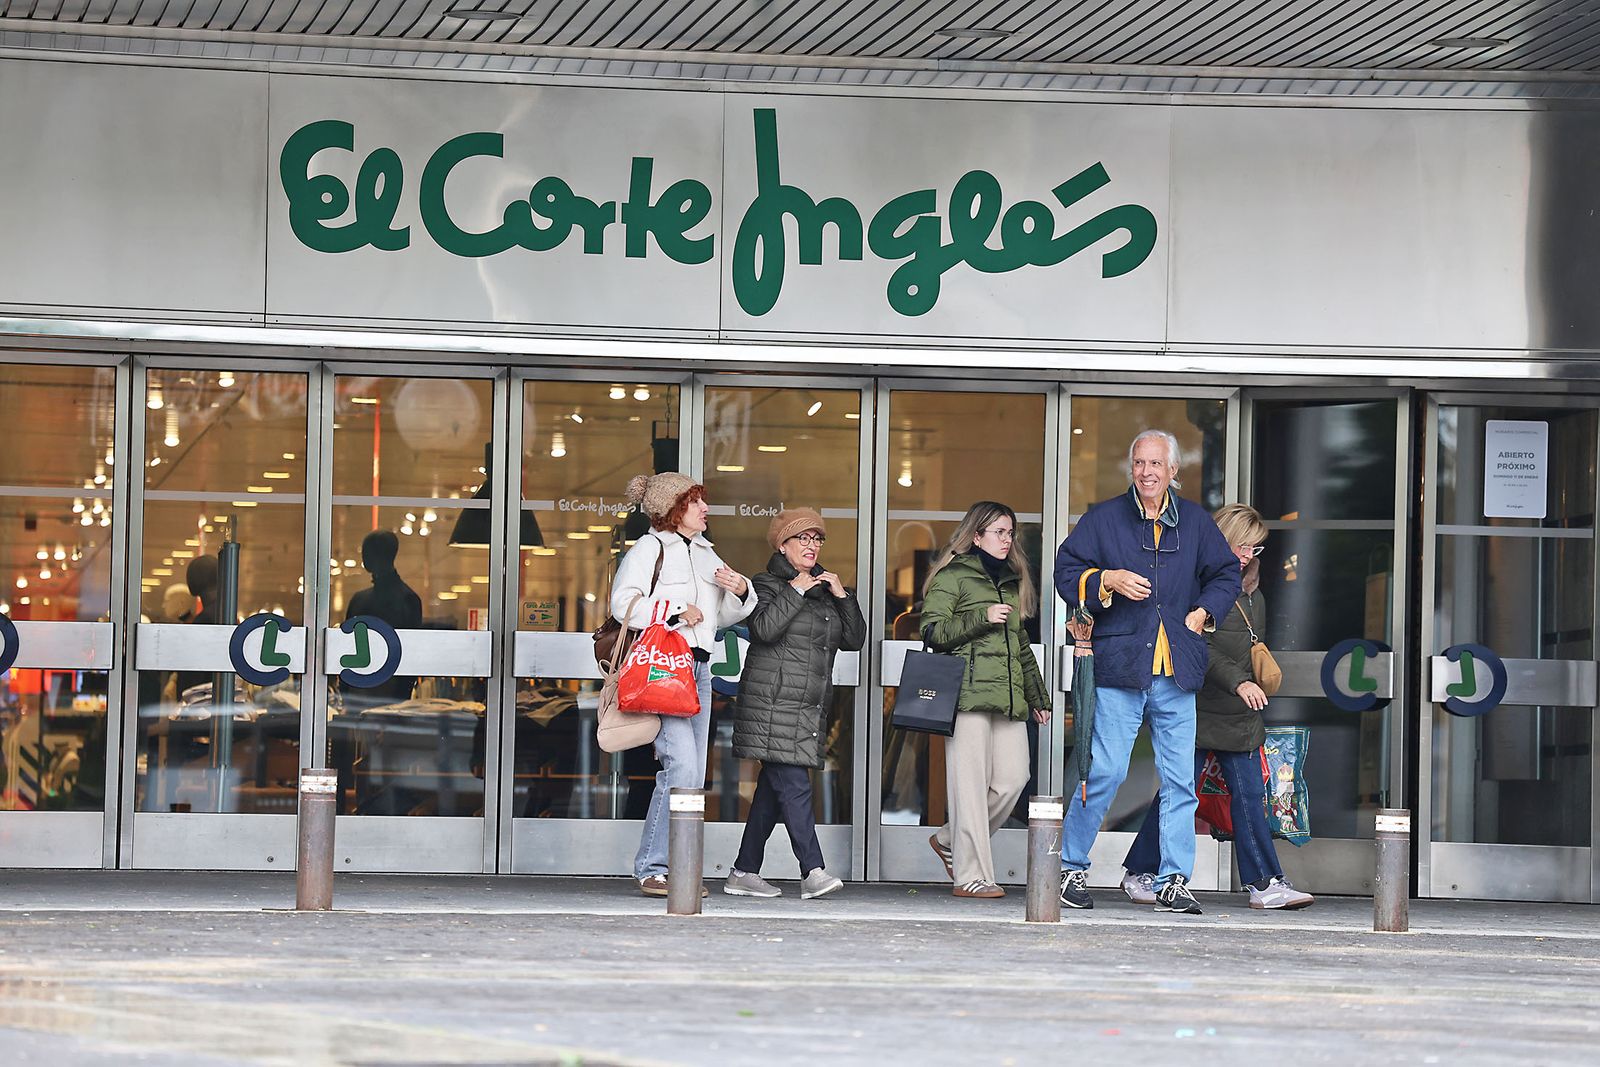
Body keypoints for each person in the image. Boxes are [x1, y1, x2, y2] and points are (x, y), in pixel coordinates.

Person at [1054, 430, 1240, 915]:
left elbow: (1226, 574)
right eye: (1139, 463)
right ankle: (1069, 866)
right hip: (1121, 665)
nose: (1147, 472)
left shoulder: (1196, 522)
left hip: (1177, 669)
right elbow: (1065, 571)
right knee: (1106, 770)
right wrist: (1107, 580)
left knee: (1180, 781)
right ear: (1131, 468)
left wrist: (1204, 611)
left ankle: (1172, 879)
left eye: (1156, 464)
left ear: (1173, 471)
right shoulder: (1103, 519)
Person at [1121, 504, 1314, 910]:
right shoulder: (1194, 585)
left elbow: (1246, 648)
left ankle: (1264, 882)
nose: (1247, 555)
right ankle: (1142, 871)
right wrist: (1238, 681)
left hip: (1237, 714)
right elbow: (1196, 645)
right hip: (1194, 706)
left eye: (1255, 549)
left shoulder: (1253, 593)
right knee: (1179, 793)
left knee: (1249, 797)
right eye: (1241, 545)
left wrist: (1250, 682)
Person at [612, 471, 756, 898]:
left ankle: (675, 868)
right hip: (665, 669)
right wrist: (675, 609)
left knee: (690, 773)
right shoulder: (649, 549)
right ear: (673, 510)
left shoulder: (707, 553)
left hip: (700, 670)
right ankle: (654, 867)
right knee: (684, 768)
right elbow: (623, 605)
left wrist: (741, 591)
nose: (705, 508)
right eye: (696, 502)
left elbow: (720, 617)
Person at [724, 508, 865, 900]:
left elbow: (854, 639)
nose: (811, 545)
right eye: (802, 538)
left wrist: (842, 595)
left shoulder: (825, 590)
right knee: (795, 786)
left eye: (816, 539)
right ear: (782, 545)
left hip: (806, 706)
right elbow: (763, 629)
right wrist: (796, 590)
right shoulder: (765, 584)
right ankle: (813, 871)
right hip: (773, 704)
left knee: (773, 793)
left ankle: (743, 871)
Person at [921, 502, 1050, 899]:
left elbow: (1019, 645)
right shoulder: (953, 575)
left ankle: (948, 840)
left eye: (1010, 533)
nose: (1006, 540)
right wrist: (982, 617)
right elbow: (932, 631)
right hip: (967, 696)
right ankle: (970, 876)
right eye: (998, 532)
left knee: (1013, 780)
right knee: (970, 791)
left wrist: (1037, 695)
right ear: (976, 536)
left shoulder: (1010, 579)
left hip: (1007, 697)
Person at [343, 530, 423, 705]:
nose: (363, 557)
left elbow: (409, 654)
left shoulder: (405, 600)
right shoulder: (407, 598)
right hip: (367, 691)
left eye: (367, 551)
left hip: (382, 694)